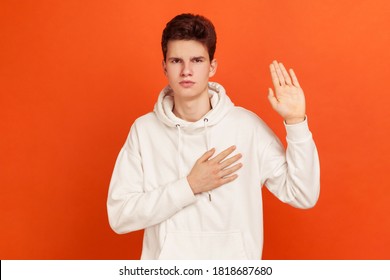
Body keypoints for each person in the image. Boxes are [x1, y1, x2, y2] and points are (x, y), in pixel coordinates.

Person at [107, 13, 320, 260]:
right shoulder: (144, 131)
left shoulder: (246, 127)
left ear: (212, 67)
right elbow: (119, 216)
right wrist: (189, 186)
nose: (186, 70)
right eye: (176, 61)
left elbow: (303, 194)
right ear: (164, 66)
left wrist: (295, 122)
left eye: (197, 60)